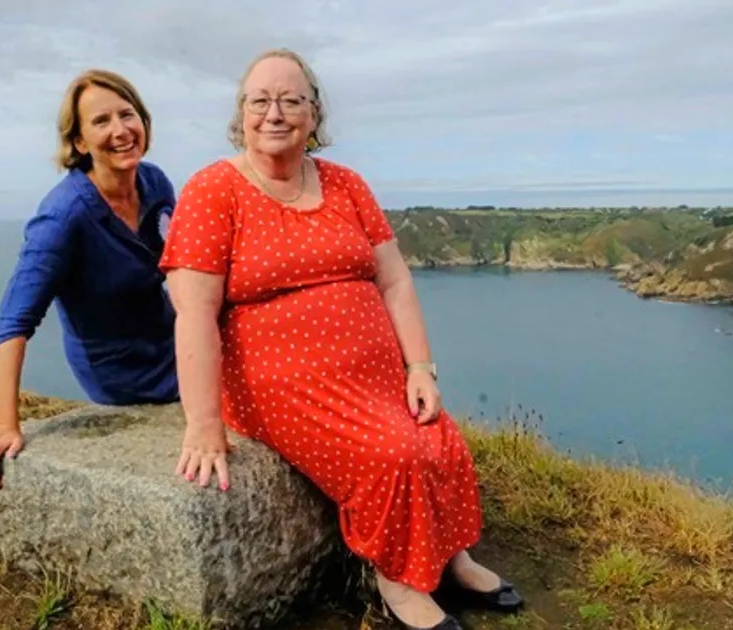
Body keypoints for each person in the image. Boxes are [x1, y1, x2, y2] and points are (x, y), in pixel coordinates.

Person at [159, 49, 523, 630]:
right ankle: (401, 586)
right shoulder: (213, 191)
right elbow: (194, 314)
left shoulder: (346, 184)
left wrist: (420, 366)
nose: (274, 113)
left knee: (440, 439)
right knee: (394, 454)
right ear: (242, 113)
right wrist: (203, 424)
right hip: (280, 386)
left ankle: (454, 559)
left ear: (313, 112)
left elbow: (395, 280)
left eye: (291, 100)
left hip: (374, 374)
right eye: (260, 101)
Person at [0, 69, 180, 492]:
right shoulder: (63, 218)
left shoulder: (154, 182)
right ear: (79, 142)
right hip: (124, 371)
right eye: (101, 121)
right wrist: (5, 425)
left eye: (128, 114)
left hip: (171, 338)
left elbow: (180, 267)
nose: (121, 130)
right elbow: (13, 322)